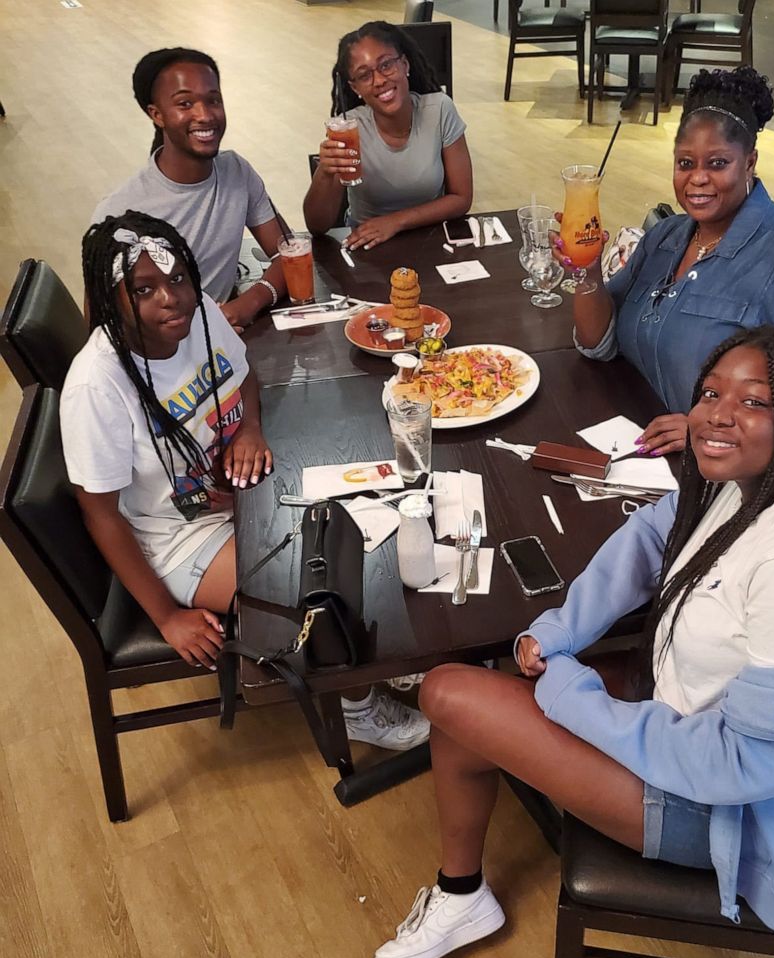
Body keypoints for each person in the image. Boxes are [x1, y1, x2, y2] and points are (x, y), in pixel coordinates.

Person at [370, 327, 774, 958]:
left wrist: (576, 695)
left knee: (446, 692)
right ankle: (464, 895)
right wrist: (562, 628)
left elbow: (737, 766)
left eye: (754, 401)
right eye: (712, 392)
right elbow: (655, 533)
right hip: (684, 714)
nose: (718, 413)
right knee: (469, 706)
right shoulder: (762, 474)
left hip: (730, 814)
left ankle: (463, 896)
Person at [63, 211, 428, 750]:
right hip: (184, 536)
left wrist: (249, 428)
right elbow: (100, 514)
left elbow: (246, 375)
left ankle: (378, 651)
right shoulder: (96, 387)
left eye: (178, 279)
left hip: (246, 482)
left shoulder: (201, 314)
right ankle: (355, 705)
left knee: (387, 514)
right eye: (144, 289)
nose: (171, 298)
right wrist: (166, 616)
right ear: (109, 300)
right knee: (326, 589)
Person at [563, 67, 774, 459]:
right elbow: (599, 342)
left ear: (750, 162)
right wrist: (586, 270)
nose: (697, 179)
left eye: (718, 163)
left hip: (740, 478)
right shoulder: (666, 237)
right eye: (685, 163)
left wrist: (709, 428)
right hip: (646, 444)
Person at [91, 48, 288, 330]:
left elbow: (289, 254)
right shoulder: (119, 214)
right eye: (185, 104)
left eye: (213, 100)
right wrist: (196, 331)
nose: (204, 115)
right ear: (157, 114)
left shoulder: (236, 171)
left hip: (226, 338)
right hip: (164, 354)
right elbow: (100, 325)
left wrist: (247, 304)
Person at [303, 21, 473, 250]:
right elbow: (317, 226)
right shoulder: (348, 130)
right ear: (355, 89)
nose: (380, 80)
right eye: (364, 76)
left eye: (386, 65)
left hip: (434, 240)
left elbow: (462, 198)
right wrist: (325, 172)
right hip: (367, 245)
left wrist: (396, 221)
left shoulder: (440, 109)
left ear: (405, 65)